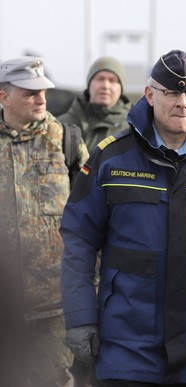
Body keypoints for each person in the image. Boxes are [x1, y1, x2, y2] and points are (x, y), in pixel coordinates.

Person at [60, 49, 186, 386]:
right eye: (172, 92)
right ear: (150, 95)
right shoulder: (111, 159)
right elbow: (78, 242)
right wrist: (80, 317)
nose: (183, 102)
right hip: (127, 348)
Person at [0, 56, 89, 386]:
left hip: (53, 306)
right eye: (30, 93)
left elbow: (92, 218)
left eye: (43, 92)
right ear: (3, 97)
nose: (41, 99)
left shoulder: (65, 141)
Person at [59, 56, 132, 151]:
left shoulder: (134, 127)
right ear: (89, 84)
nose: (105, 86)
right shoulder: (62, 125)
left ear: (121, 88)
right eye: (100, 79)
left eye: (112, 80)